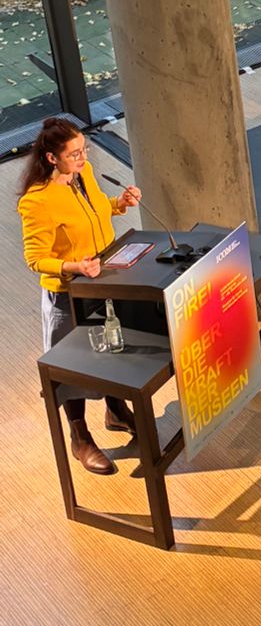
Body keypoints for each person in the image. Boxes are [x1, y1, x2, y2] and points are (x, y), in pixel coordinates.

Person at [18, 117, 142, 475]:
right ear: (51, 157)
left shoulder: (82, 177)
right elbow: (35, 259)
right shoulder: (37, 201)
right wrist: (73, 266)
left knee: (113, 351)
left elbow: (97, 212)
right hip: (69, 295)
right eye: (74, 154)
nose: (82, 158)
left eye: (84, 150)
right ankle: (80, 436)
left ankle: (115, 410)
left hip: (104, 282)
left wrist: (120, 203)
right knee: (74, 368)